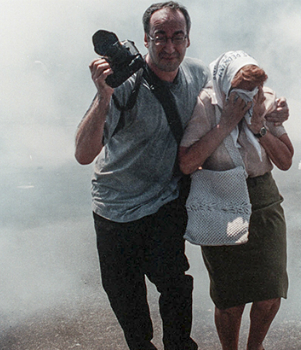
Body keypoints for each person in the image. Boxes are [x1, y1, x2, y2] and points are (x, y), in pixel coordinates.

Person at [75, 2, 207, 349]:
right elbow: (83, 153)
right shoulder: (125, 86)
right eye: (160, 37)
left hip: (164, 203)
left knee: (176, 284)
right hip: (115, 209)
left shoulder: (197, 76)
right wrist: (103, 95)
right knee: (128, 299)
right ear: (145, 39)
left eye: (177, 37)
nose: (169, 47)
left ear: (188, 40)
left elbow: (233, 91)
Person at [179, 51, 293, 350]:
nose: (247, 98)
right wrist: (226, 123)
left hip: (263, 197)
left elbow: (285, 160)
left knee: (270, 289)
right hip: (221, 199)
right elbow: (188, 163)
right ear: (223, 86)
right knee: (231, 296)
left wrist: (260, 128)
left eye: (253, 91)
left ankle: (255, 346)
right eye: (239, 92)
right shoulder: (207, 104)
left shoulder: (264, 100)